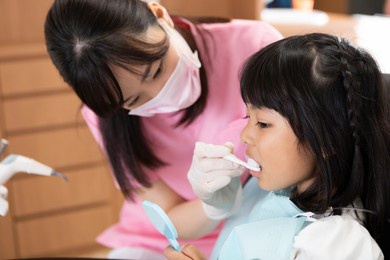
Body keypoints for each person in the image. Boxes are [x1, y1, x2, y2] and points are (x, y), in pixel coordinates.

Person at [44, 0, 282, 258]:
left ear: (159, 14)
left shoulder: (256, 47)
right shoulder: (105, 117)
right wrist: (213, 207)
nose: (162, 94)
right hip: (168, 238)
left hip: (259, 218)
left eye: (156, 69)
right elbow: (170, 218)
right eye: (135, 101)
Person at [164, 33, 390, 259]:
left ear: (326, 139)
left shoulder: (336, 246)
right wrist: (215, 207)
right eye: (247, 118)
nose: (244, 136)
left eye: (263, 123)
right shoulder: (274, 193)